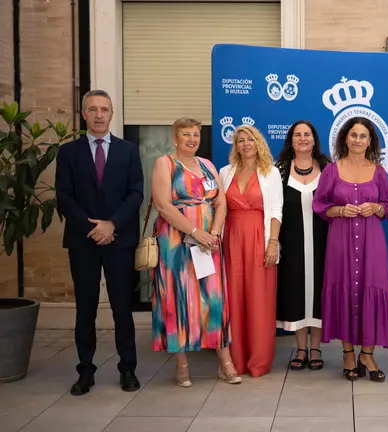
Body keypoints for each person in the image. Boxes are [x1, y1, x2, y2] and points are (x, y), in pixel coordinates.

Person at [55, 89, 143, 396]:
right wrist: (92, 227)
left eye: (104, 109)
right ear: (83, 114)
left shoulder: (128, 151)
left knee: (122, 308)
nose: (99, 115)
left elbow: (136, 194)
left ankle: (128, 368)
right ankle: (85, 371)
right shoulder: (68, 153)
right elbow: (64, 196)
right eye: (92, 109)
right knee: (85, 308)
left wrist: (111, 224)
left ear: (112, 114)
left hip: (119, 240)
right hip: (83, 241)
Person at [150, 117, 241, 387]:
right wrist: (194, 232)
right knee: (178, 299)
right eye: (186, 134)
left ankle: (226, 363)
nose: (191, 139)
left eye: (196, 135)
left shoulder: (208, 165)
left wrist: (212, 233)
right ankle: (182, 366)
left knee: (213, 299)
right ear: (175, 137)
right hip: (176, 241)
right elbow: (163, 207)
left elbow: (222, 203)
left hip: (207, 243)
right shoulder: (164, 164)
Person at [312, 117, 388, 382]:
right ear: (345, 139)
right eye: (353, 135)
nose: (358, 140)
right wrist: (339, 210)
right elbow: (319, 204)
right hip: (341, 242)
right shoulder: (331, 170)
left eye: (363, 136)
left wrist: (377, 207)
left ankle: (367, 354)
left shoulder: (379, 172)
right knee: (346, 289)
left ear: (370, 141)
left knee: (370, 289)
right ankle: (348, 353)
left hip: (373, 243)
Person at [220, 124, 283, 378]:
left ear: (259, 143)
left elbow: (277, 210)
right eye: (240, 140)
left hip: (260, 238)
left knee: (260, 300)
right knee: (233, 300)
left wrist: (273, 243)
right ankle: (235, 359)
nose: (245, 144)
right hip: (232, 240)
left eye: (250, 139)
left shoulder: (271, 173)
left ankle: (259, 360)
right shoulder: (225, 172)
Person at [275, 120, 330, 371]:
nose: (303, 139)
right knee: (296, 292)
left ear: (314, 139)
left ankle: (316, 347)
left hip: (324, 242)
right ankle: (300, 348)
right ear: (291, 140)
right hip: (292, 242)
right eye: (298, 135)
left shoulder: (329, 168)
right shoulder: (279, 170)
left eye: (307, 134)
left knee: (318, 292)